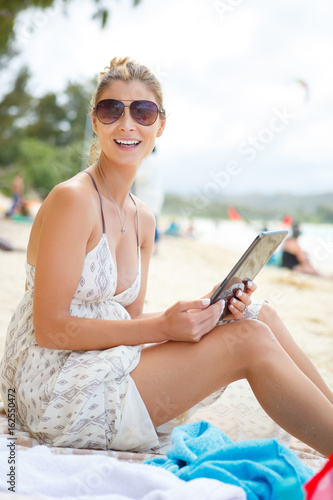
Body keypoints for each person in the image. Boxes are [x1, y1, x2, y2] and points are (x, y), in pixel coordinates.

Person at [0, 57, 332, 457]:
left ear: (160, 125)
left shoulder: (143, 218)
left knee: (257, 315)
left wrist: (205, 313)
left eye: (143, 111)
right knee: (250, 340)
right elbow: (51, 328)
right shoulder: (72, 200)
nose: (127, 124)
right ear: (95, 121)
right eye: (112, 110)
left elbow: (127, 323)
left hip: (105, 363)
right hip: (52, 383)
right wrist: (164, 326)